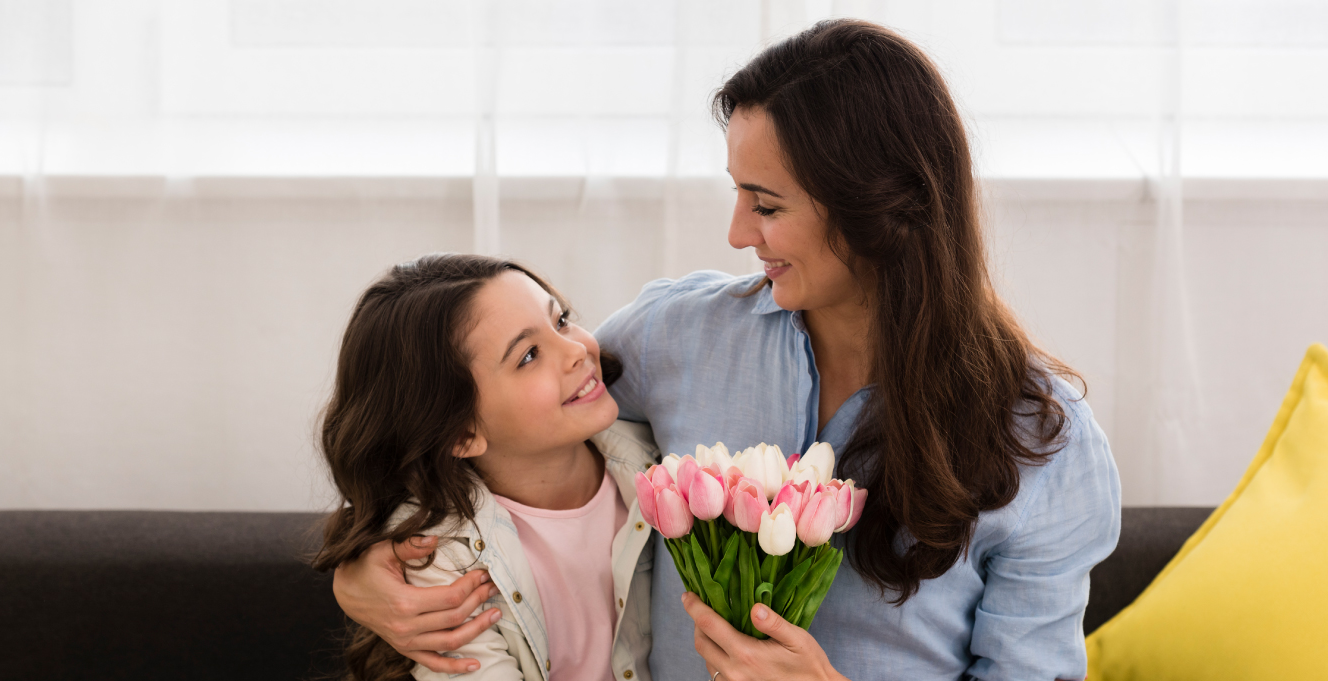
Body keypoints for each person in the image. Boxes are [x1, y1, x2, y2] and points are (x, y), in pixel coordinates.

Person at [330, 19, 1121, 681]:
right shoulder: (675, 336)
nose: (737, 234)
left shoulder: (1043, 443)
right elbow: (468, 422)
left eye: (766, 204)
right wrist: (362, 574)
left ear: (883, 208)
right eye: (736, 193)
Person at [311, 254, 657, 680]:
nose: (576, 350)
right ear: (460, 434)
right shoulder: (440, 557)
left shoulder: (663, 466)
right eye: (529, 355)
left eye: (561, 320)